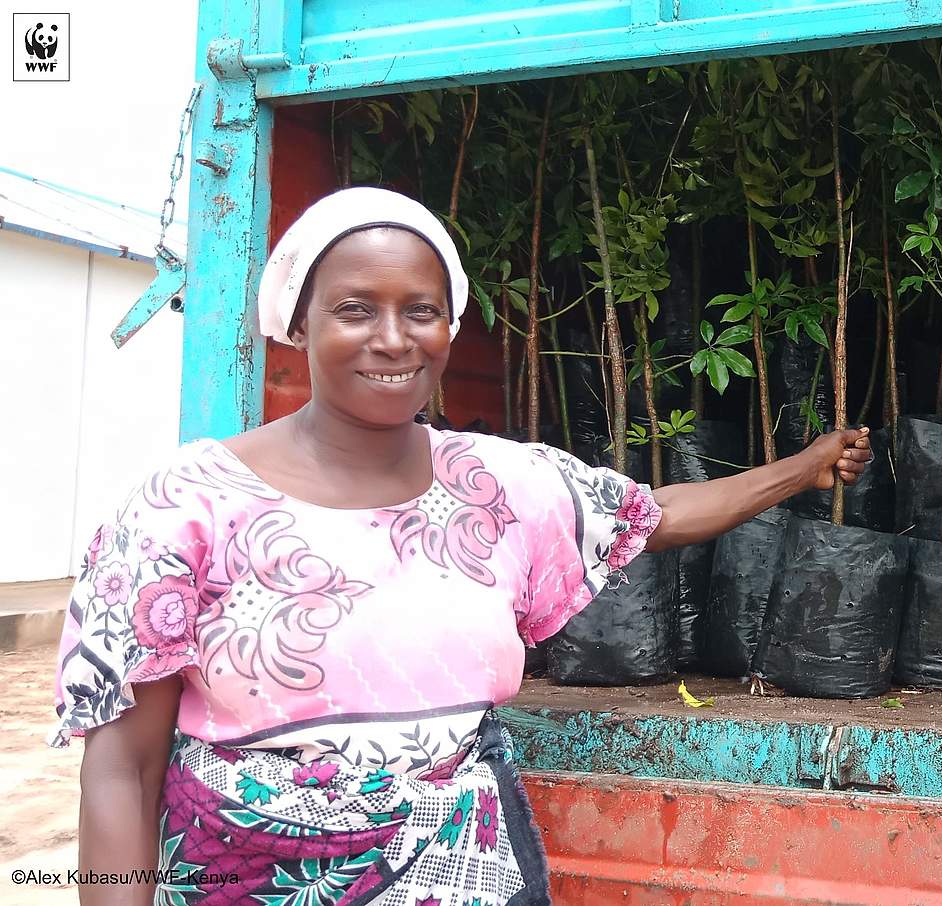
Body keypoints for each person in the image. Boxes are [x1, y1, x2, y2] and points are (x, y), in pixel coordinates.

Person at [49, 187, 872, 905]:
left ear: (450, 324)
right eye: (355, 308)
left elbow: (656, 513)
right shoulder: (183, 505)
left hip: (462, 871)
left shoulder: (497, 483)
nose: (394, 337)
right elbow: (120, 770)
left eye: (420, 309)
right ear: (298, 323)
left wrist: (803, 468)